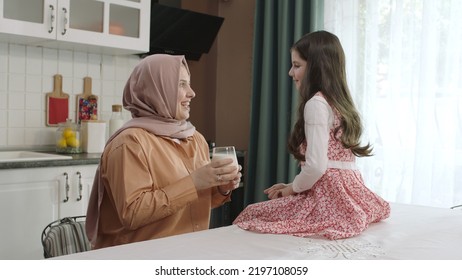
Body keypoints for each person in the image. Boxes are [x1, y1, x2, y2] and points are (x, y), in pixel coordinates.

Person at [233, 31, 390, 240]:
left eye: (297, 65)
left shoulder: (316, 104)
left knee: (251, 214)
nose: (290, 72)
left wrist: (292, 189)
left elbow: (317, 166)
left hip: (329, 197)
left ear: (316, 68)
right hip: (349, 196)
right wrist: (292, 187)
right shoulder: (339, 104)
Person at [86, 54, 241, 249]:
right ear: (156, 90)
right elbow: (132, 213)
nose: (192, 92)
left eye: (189, 84)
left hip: (187, 251)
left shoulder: (195, 139)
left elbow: (191, 204)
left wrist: (220, 187)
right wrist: (194, 182)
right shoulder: (129, 142)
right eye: (181, 84)